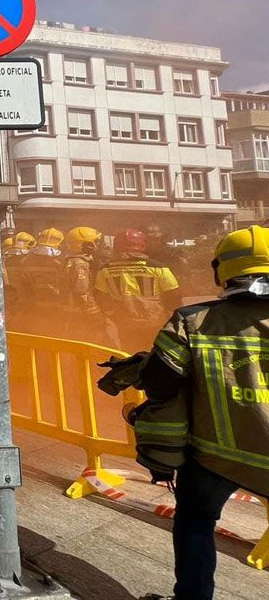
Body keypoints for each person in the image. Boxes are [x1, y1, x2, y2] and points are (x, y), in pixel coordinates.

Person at [126, 226, 269, 600]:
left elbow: (159, 384)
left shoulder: (192, 321)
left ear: (221, 270)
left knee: (195, 521)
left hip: (214, 458)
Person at [95, 228, 182, 351]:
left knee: (130, 356)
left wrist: (112, 315)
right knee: (156, 354)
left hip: (124, 323)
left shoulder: (104, 270)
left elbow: (100, 296)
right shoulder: (158, 267)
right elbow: (174, 294)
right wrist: (172, 316)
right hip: (155, 322)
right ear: (143, 245)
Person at [61, 227, 103, 339]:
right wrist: (95, 314)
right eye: (95, 242)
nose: (97, 244)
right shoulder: (80, 264)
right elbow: (81, 292)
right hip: (81, 314)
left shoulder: (72, 260)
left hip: (74, 312)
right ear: (84, 245)